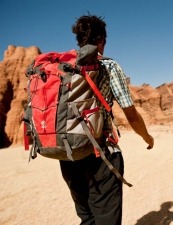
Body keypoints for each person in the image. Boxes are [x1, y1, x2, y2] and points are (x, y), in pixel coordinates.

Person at [59, 14, 154, 225]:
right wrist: (148, 137)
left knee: (87, 218)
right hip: (100, 153)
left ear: (80, 40)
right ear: (102, 39)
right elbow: (130, 113)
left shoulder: (63, 67)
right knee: (106, 218)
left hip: (68, 153)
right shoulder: (109, 65)